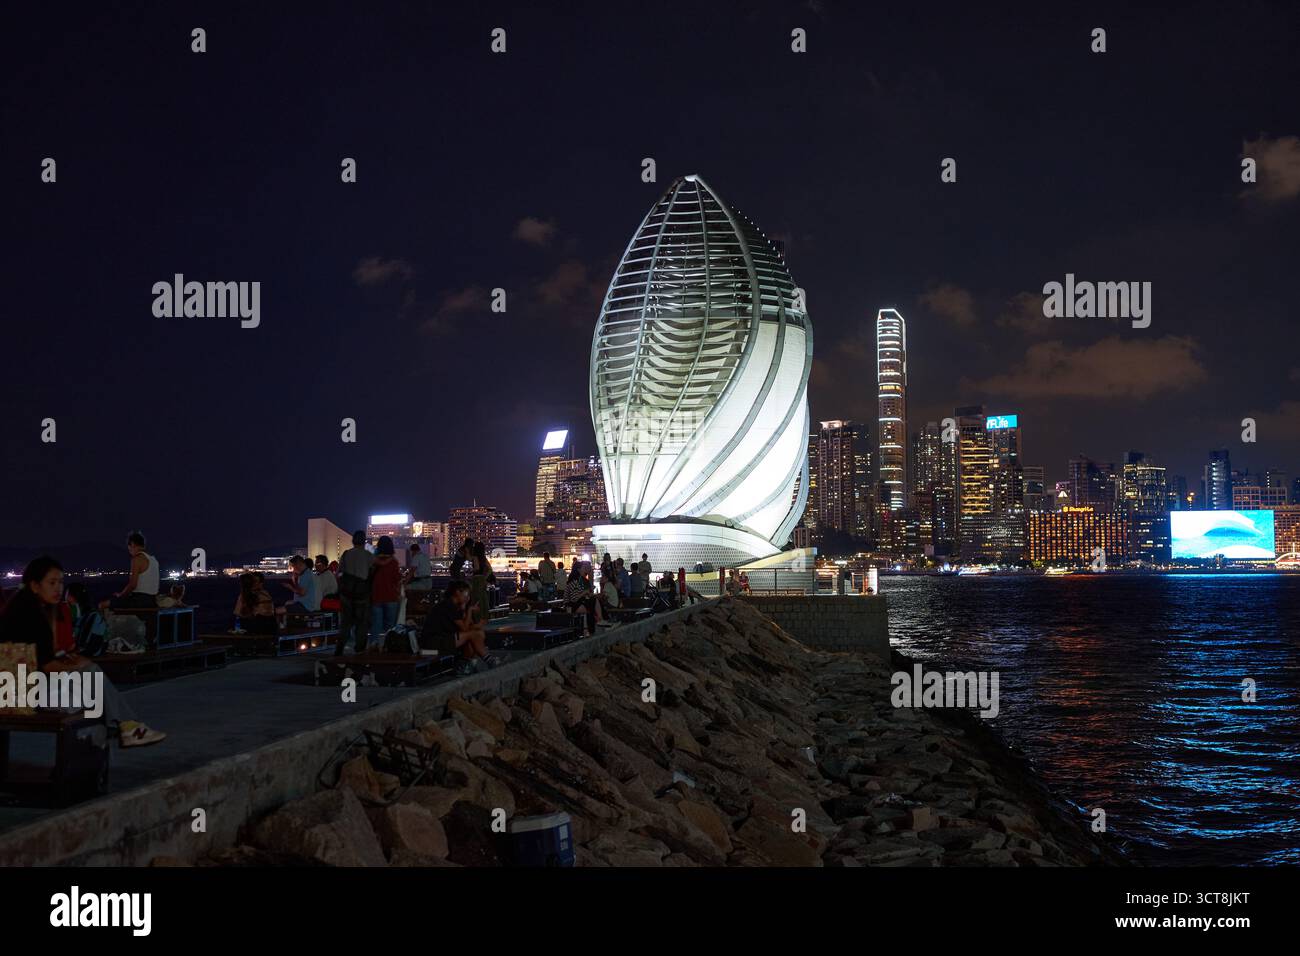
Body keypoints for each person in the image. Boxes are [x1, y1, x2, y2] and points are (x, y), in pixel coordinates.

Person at [1, 556, 165, 748]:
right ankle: (124, 730)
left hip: (17, 685)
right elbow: (48, 666)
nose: (58, 588)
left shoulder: (23, 607)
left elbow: (39, 658)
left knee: (93, 689)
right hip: (20, 693)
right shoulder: (33, 616)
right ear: (35, 585)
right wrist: (77, 666)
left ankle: (124, 729)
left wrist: (71, 664)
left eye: (61, 582)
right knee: (93, 684)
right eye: (52, 583)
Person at [420, 581, 500, 675]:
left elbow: (468, 626)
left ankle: (468, 665)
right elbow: (465, 629)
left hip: (445, 639)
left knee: (478, 633)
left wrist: (466, 611)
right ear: (458, 592)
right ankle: (488, 660)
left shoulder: (456, 607)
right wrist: (469, 610)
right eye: (466, 593)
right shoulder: (448, 605)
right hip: (433, 643)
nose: (468, 597)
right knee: (474, 634)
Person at [336, 530, 372, 656]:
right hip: (362, 594)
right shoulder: (368, 556)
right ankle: (359, 650)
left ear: (353, 541)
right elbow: (371, 575)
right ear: (364, 541)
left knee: (345, 623)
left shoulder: (346, 554)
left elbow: (339, 573)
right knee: (362, 624)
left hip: (347, 594)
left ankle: (339, 649)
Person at [101, 531, 159, 610]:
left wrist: (121, 595)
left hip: (140, 601)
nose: (130, 552)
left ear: (132, 544)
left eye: (129, 549)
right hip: (152, 601)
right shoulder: (154, 560)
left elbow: (132, 585)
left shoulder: (137, 559)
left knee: (102, 605)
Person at [369, 536, 402, 643]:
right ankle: (388, 647)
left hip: (376, 596)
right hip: (391, 596)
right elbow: (397, 579)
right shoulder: (394, 562)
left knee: (376, 625)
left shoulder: (373, 561)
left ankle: (373, 647)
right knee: (390, 627)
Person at [564, 565, 602, 634]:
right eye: (583, 568)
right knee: (588, 606)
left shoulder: (579, 581)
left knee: (594, 601)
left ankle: (598, 621)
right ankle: (593, 625)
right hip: (571, 605)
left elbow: (585, 594)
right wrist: (585, 592)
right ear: (578, 570)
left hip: (578, 602)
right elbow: (574, 599)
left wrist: (588, 593)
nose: (585, 570)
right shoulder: (574, 582)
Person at [468, 541, 494, 627]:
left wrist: (470, 572)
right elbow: (490, 569)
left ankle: (477, 618)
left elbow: (476, 568)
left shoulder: (475, 557)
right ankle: (484, 616)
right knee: (483, 598)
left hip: (476, 579)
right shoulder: (483, 558)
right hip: (482, 579)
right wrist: (485, 578)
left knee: (476, 599)